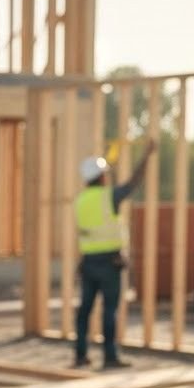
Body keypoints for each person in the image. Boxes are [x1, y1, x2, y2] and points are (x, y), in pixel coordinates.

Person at [73, 139, 156, 368]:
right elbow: (133, 183)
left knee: (85, 311)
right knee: (109, 310)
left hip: (88, 262)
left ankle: (80, 355)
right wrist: (147, 156)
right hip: (110, 262)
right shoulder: (109, 196)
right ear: (101, 176)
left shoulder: (80, 200)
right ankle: (110, 356)